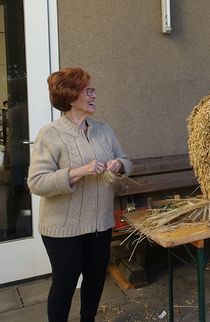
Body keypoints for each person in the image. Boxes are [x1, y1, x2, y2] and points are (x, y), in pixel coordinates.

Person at [27, 67, 133, 322]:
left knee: (96, 280)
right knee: (65, 284)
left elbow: (127, 161)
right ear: (71, 96)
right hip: (63, 228)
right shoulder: (50, 134)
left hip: (99, 223)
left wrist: (118, 165)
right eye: (88, 90)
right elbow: (37, 182)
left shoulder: (103, 129)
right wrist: (77, 172)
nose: (94, 95)